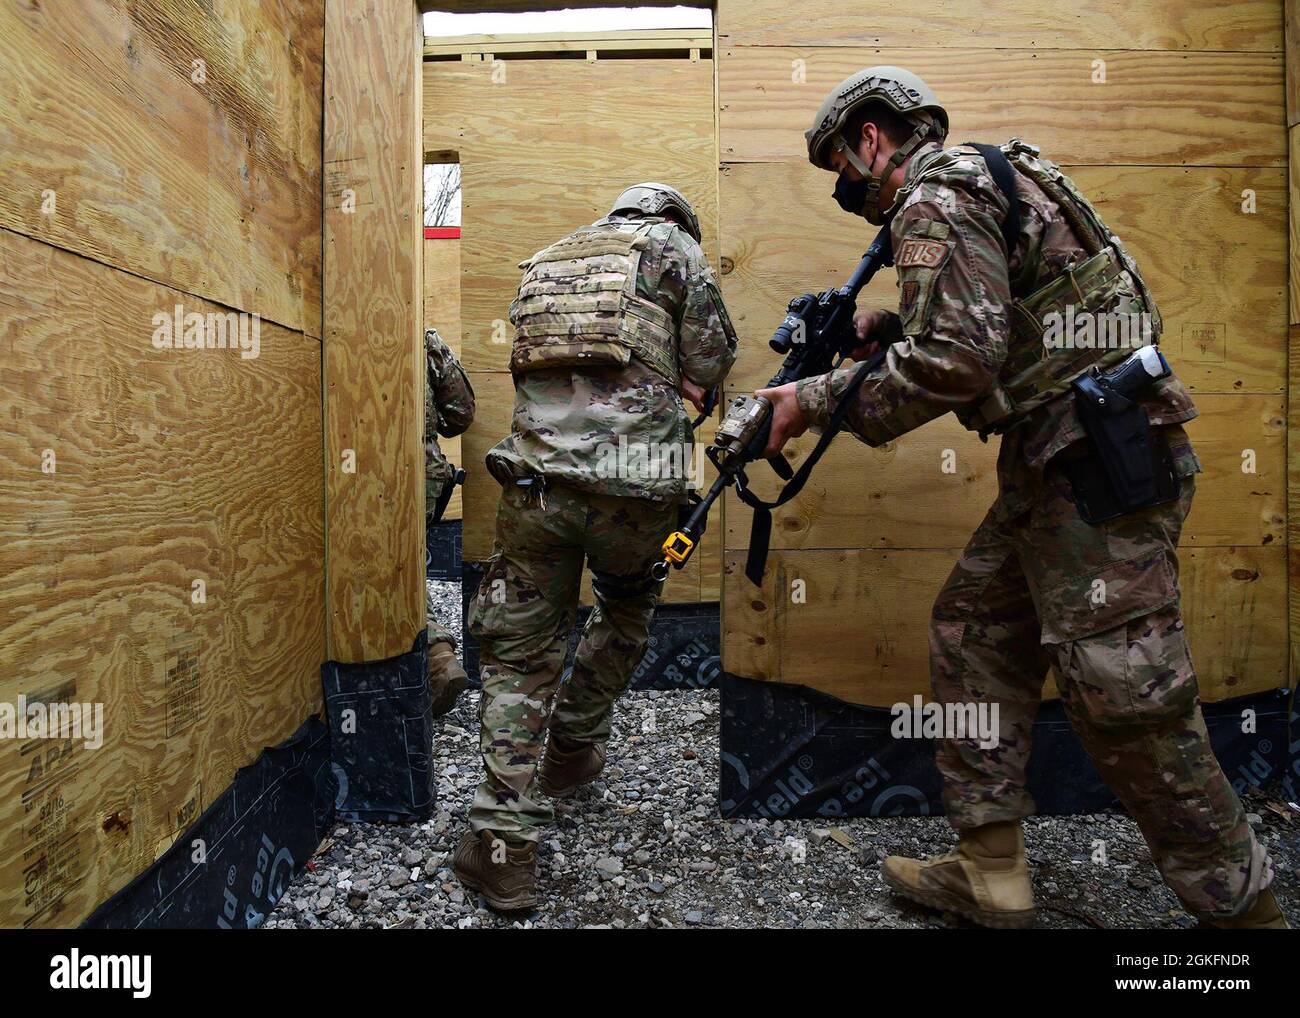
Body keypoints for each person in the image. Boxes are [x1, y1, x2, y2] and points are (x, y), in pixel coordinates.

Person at [757, 67, 1288, 929]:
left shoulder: (932, 202)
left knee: (1131, 702)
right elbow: (1011, 318)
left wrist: (807, 401)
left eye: (842, 170)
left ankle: (1245, 919)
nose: (847, 192)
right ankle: (990, 871)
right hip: (1071, 463)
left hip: (1090, 471)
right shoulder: (994, 172)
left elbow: (956, 364)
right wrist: (883, 329)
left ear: (871, 138)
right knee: (976, 634)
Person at [452, 184, 738, 911]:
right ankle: (575, 747)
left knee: (519, 652)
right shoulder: (678, 251)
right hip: (638, 496)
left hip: (537, 487)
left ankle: (502, 847)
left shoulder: (548, 259)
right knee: (628, 608)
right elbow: (709, 367)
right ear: (674, 219)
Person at [424, 326, 475, 717]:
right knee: (405, 568)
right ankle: (439, 657)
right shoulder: (424, 339)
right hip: (421, 476)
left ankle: (435, 658)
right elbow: (459, 416)